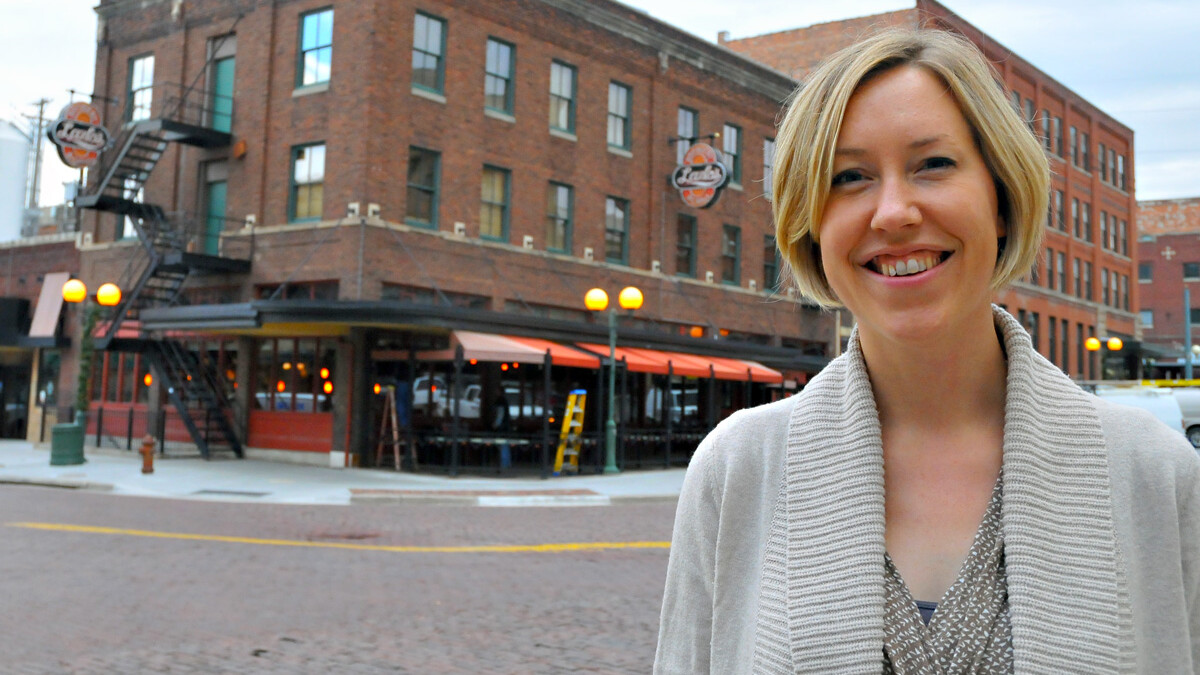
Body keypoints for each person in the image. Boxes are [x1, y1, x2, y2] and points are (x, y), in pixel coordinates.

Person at [654, 28, 1200, 673]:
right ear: (811, 221)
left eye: (932, 164)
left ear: (1000, 196)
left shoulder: (1153, 472)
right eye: (849, 177)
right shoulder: (739, 467)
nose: (892, 212)